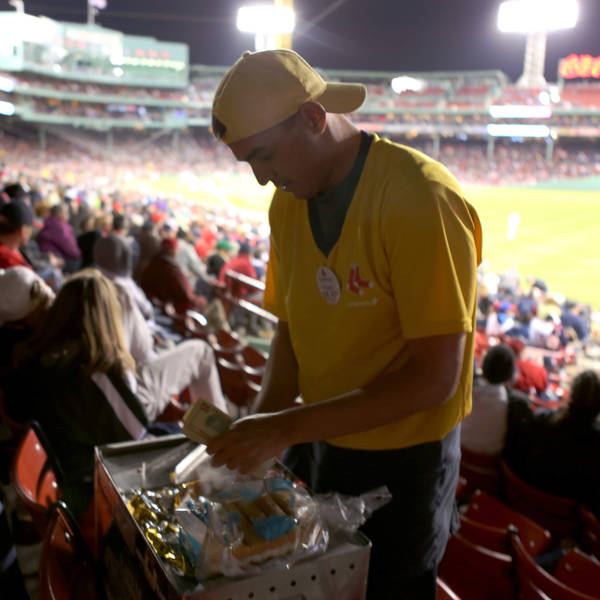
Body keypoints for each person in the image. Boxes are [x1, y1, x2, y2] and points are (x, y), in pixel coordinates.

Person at [204, 49, 482, 599]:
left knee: (388, 589)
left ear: (312, 118)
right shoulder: (287, 205)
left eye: (263, 156)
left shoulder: (420, 196)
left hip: (407, 461)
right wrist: (264, 422)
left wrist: (284, 428)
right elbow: (292, 327)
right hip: (319, 436)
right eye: (248, 164)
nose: (261, 179)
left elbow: (434, 379)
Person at [503, 370, 600, 519]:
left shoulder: (541, 419)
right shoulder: (594, 443)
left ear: (571, 395)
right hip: (565, 521)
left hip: (524, 503)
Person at [461, 344, 515, 456]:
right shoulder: (509, 402)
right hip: (487, 466)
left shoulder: (467, 389)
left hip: (459, 457)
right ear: (510, 372)